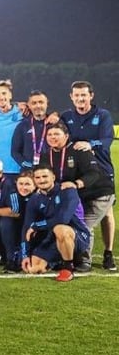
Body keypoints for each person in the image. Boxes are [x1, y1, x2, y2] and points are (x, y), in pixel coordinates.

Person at [37, 121, 111, 272]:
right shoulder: (46, 154)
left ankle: (85, 261)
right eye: (49, 134)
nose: (52, 137)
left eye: (56, 134)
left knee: (84, 225)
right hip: (75, 196)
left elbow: (94, 173)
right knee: (67, 224)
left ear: (66, 136)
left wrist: (76, 183)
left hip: (98, 193)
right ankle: (66, 257)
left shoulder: (79, 150)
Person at [61, 80, 116, 271]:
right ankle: (83, 254)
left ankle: (108, 253)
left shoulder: (102, 115)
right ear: (71, 97)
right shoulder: (66, 116)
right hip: (79, 173)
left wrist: (90, 144)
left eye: (84, 95)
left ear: (91, 96)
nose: (80, 98)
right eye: (76, 95)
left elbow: (107, 139)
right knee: (83, 209)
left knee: (106, 212)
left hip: (102, 171)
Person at [21, 164, 91, 282]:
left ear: (53, 177)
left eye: (45, 176)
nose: (42, 180)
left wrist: (37, 226)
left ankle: (68, 268)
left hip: (78, 235)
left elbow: (63, 219)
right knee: (34, 268)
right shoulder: (35, 199)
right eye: (37, 178)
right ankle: (56, 261)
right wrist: (25, 255)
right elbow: (27, 226)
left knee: (60, 229)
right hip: (52, 237)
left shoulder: (68, 191)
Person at [0, 80, 24, 177]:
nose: (1, 97)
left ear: (10, 95)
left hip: (19, 167)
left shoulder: (22, 112)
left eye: (4, 93)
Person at [11, 90, 50, 171]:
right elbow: (15, 151)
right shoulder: (22, 125)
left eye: (41, 102)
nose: (38, 106)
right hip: (28, 171)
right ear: (29, 105)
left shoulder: (54, 123)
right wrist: (24, 163)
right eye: (34, 103)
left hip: (50, 170)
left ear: (47, 104)